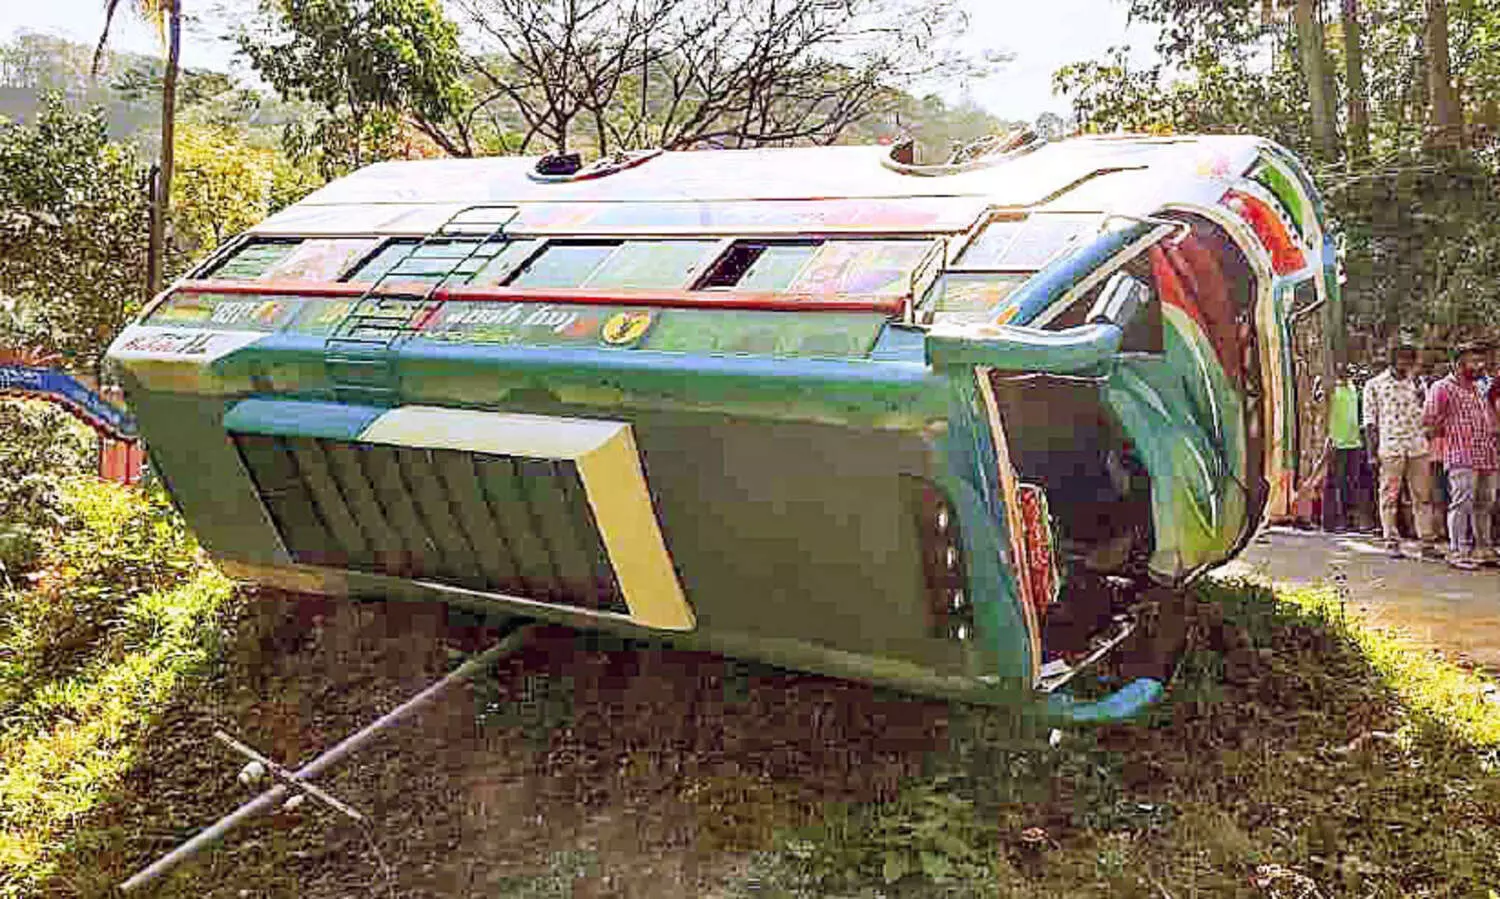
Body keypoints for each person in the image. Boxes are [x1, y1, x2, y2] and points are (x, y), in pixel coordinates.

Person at [1422, 342, 1499, 570]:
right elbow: (1429, 420)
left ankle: (1483, 549)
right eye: (1474, 362)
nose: (1480, 366)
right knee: (1462, 502)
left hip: (1486, 454)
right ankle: (1457, 551)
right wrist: (1451, 439)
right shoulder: (1442, 387)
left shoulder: (1478, 389)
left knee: (1485, 502)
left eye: (1481, 361)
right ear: (1458, 364)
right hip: (1461, 454)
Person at [1364, 344, 1439, 559]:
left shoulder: (1418, 383)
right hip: (1391, 446)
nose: (1407, 364)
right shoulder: (1375, 385)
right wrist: (1372, 452)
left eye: (1410, 360)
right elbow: (1370, 421)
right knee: (1390, 496)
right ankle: (1391, 540)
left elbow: (1426, 413)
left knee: (1422, 496)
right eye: (1403, 359)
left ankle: (1426, 541)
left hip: (1417, 446)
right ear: (1393, 361)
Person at [1322, 363, 1371, 533]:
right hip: (1336, 441)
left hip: (1353, 442)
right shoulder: (1331, 390)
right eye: (1344, 371)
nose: (1347, 374)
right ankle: (1332, 521)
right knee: (1335, 481)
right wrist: (1327, 436)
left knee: (1352, 483)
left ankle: (1350, 520)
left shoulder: (1353, 389)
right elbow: (1324, 412)